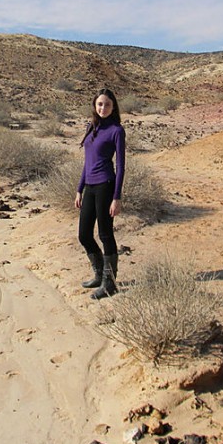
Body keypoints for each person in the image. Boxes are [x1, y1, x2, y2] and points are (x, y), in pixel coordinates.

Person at [75, 88, 126, 300]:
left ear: (113, 107)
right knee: (84, 235)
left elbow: (121, 166)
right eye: (99, 104)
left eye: (106, 104)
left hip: (106, 185)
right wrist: (79, 189)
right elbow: (87, 162)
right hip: (89, 186)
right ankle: (98, 274)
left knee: (105, 234)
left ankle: (110, 283)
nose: (102, 108)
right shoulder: (92, 126)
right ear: (95, 106)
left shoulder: (117, 130)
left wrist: (117, 197)